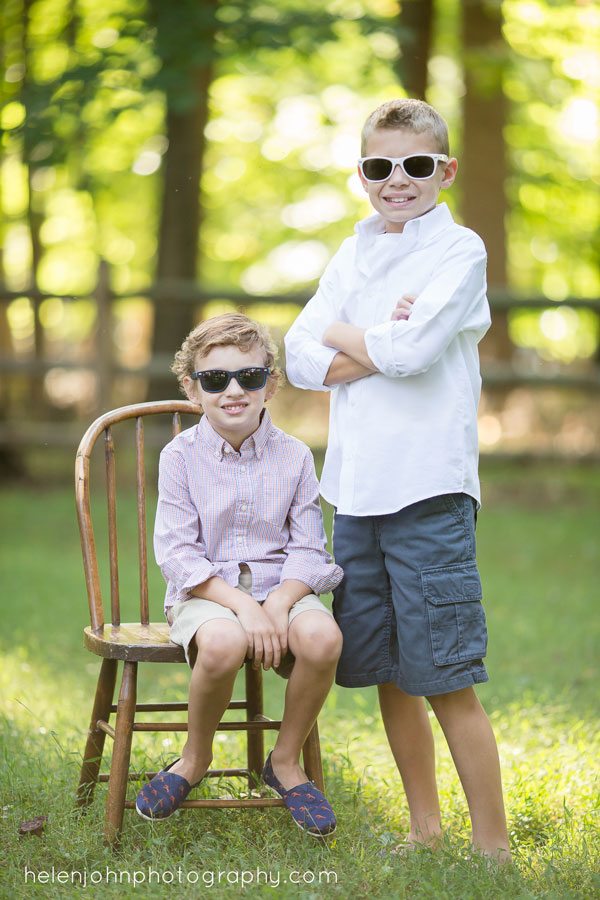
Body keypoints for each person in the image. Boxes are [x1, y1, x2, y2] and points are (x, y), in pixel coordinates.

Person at [284, 98, 511, 861]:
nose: (398, 180)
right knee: (387, 670)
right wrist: (381, 334)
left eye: (416, 165)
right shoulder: (351, 256)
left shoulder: (461, 251)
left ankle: (493, 846)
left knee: (442, 672)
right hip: (356, 493)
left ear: (444, 169)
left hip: (428, 491)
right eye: (381, 167)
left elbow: (410, 358)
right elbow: (297, 354)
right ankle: (425, 827)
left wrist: (350, 335)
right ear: (362, 174)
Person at [136, 313, 343, 837]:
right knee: (225, 643)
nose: (233, 390)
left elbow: (309, 550)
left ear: (270, 383)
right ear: (192, 387)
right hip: (206, 592)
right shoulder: (179, 457)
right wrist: (246, 607)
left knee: (323, 638)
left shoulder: (294, 456)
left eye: (249, 377)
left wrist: (276, 603)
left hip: (284, 589)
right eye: (215, 379)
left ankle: (286, 760)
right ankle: (195, 757)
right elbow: (181, 557)